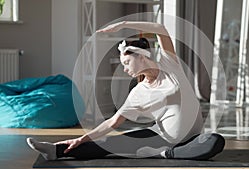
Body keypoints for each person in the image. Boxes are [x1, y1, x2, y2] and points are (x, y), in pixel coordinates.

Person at [27, 21, 225, 160]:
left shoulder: (170, 64)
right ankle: (56, 151)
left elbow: (160, 29)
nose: (124, 68)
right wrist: (81, 138)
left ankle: (164, 154)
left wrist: (124, 25)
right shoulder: (139, 92)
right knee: (110, 143)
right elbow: (113, 122)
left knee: (215, 141)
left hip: (193, 139)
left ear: (142, 57)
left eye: (126, 62)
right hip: (161, 139)